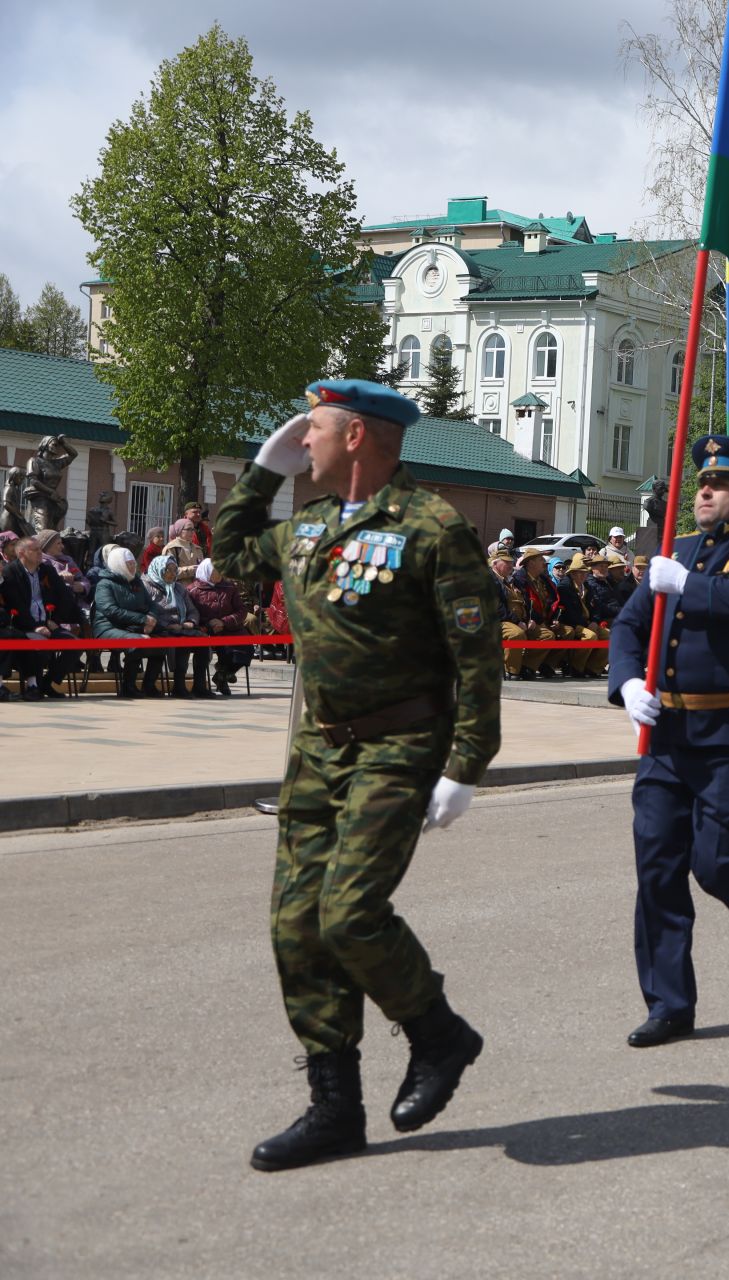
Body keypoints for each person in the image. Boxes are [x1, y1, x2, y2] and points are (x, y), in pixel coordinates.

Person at [214, 378, 499, 1172]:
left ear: (357, 437)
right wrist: (260, 475)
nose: (301, 440)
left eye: (311, 430)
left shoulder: (434, 528)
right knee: (296, 928)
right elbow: (231, 559)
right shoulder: (307, 527)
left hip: (399, 747)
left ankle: (439, 1034)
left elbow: (478, 661)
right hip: (318, 751)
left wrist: (466, 765)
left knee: (349, 915)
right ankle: (335, 1109)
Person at [608, 434, 729, 1050]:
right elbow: (629, 625)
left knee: (717, 862)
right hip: (667, 734)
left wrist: (685, 586)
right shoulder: (680, 550)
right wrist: (626, 682)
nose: (703, 492)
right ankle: (669, 1003)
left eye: (718, 485)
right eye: (700, 483)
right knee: (658, 869)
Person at [0, 529, 86, 699]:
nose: (41, 553)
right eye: (36, 550)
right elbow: (16, 605)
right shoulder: (11, 572)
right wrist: (35, 627)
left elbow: (64, 597)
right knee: (36, 643)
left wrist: (55, 620)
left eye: (41, 549)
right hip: (24, 625)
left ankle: (47, 683)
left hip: (47, 623)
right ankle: (33, 686)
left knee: (75, 645)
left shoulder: (47, 570)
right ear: (22, 553)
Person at [91, 546, 159, 697]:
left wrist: (151, 619)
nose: (133, 566)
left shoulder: (137, 582)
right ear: (118, 563)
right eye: (129, 563)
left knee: (161, 643)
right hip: (108, 628)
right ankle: (128, 687)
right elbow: (110, 610)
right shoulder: (105, 584)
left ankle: (149, 686)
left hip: (133, 627)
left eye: (134, 563)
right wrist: (143, 619)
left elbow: (152, 604)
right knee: (137, 643)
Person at [143, 553, 211, 697]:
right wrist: (167, 625)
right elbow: (147, 612)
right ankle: (177, 686)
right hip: (159, 628)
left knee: (203, 642)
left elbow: (192, 610)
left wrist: (191, 622)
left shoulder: (178, 588)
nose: (173, 574)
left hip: (182, 627)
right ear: (160, 570)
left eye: (175, 570)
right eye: (169, 570)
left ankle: (199, 685)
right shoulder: (147, 587)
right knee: (182, 643)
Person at [186, 559, 254, 696]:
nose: (220, 574)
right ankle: (220, 678)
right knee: (211, 649)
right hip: (207, 630)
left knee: (245, 649)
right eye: (216, 571)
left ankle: (221, 675)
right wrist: (208, 624)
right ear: (207, 572)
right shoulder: (192, 590)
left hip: (229, 628)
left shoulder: (229, 587)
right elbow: (191, 612)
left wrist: (224, 622)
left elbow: (241, 610)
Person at [512, 546, 563, 678]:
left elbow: (553, 601)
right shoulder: (520, 579)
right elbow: (524, 605)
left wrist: (553, 619)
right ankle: (527, 666)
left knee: (567, 632)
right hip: (530, 620)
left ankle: (545, 664)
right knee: (547, 635)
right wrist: (537, 621)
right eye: (540, 559)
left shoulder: (544, 579)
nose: (544, 562)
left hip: (545, 619)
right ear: (530, 563)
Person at [557, 552, 610, 679]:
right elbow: (569, 613)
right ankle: (576, 667)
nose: (583, 575)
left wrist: (594, 621)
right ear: (573, 573)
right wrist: (588, 624)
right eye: (579, 572)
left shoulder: (586, 586)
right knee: (590, 636)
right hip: (572, 623)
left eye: (585, 572)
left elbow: (596, 607)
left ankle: (593, 668)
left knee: (609, 635)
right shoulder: (565, 587)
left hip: (587, 622)